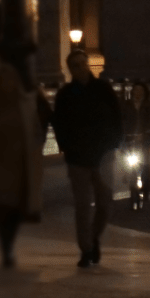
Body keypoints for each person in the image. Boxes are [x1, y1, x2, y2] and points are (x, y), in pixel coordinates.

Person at [52, 48, 123, 268]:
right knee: (82, 206)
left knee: (105, 204)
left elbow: (117, 117)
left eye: (83, 63)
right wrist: (67, 148)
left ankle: (93, 238)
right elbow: (59, 124)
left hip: (103, 156)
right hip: (78, 159)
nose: (81, 68)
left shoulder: (103, 89)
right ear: (70, 69)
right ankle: (86, 249)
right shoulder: (65, 95)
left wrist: (114, 144)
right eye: (76, 65)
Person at [0, 53, 53, 268]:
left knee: (13, 205)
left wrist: (38, 142)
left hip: (19, 160)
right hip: (2, 163)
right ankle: (6, 247)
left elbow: (43, 118)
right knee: (3, 206)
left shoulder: (27, 99)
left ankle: (7, 245)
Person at [120, 82, 150, 208]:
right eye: (136, 90)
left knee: (144, 164)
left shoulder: (148, 105)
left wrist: (147, 131)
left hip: (144, 139)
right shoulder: (126, 105)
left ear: (144, 93)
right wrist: (123, 132)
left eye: (140, 90)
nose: (138, 93)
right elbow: (122, 119)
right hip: (130, 139)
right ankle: (131, 187)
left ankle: (146, 189)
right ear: (132, 92)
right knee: (129, 164)